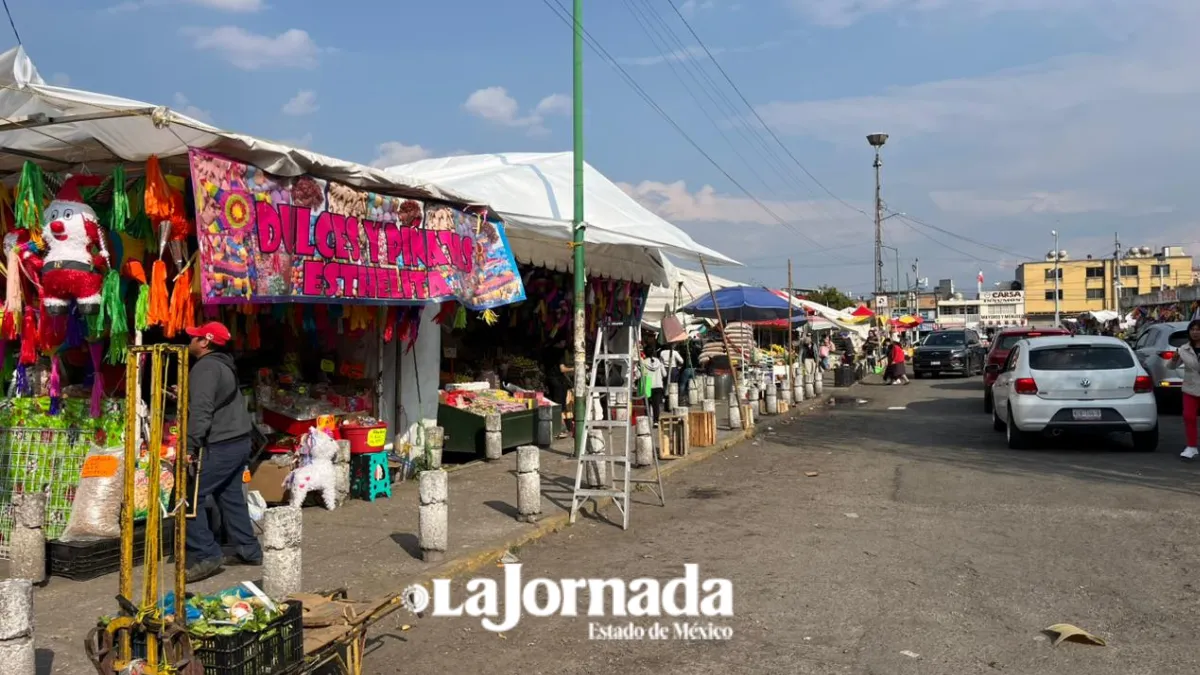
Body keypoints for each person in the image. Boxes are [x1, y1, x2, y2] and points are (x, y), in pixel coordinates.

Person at [183, 321, 261, 583]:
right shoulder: (224, 364)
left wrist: (191, 446)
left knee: (187, 496)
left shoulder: (205, 368)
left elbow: (203, 412)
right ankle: (248, 550)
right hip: (238, 442)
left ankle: (206, 555)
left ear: (205, 342)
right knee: (230, 496)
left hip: (221, 444)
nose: (190, 340)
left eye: (195, 337)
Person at [1169, 319, 1200, 460]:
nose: (1195, 332)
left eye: (1198, 330)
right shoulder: (1183, 349)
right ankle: (1191, 447)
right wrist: (1174, 359)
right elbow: (1171, 367)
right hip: (1190, 388)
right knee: (1189, 417)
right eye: (1193, 330)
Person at [541, 340, 573, 439]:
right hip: (558, 382)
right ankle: (561, 429)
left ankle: (559, 429)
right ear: (560, 341)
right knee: (559, 406)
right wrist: (575, 368)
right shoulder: (559, 353)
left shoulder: (546, 351)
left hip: (550, 380)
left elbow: (542, 367)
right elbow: (562, 369)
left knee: (555, 404)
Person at [640, 350, 665, 423]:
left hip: (647, 383)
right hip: (658, 385)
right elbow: (665, 374)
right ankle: (656, 421)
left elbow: (639, 375)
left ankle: (648, 421)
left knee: (647, 404)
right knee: (656, 405)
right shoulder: (659, 362)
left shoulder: (643, 362)